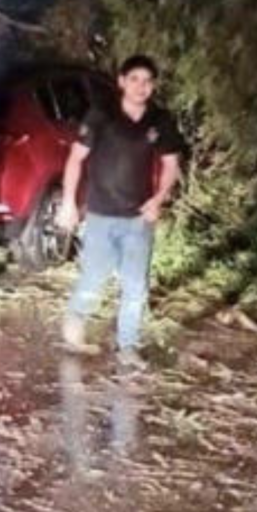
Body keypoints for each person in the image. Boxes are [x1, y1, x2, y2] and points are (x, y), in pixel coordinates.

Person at [57, 55, 183, 368]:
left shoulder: (160, 120)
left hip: (139, 218)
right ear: (122, 81)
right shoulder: (102, 114)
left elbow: (170, 164)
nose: (141, 86)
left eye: (147, 81)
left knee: (135, 285)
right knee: (95, 277)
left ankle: (127, 346)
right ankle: (74, 325)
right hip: (101, 213)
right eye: (135, 79)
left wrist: (159, 198)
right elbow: (76, 159)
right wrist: (69, 201)